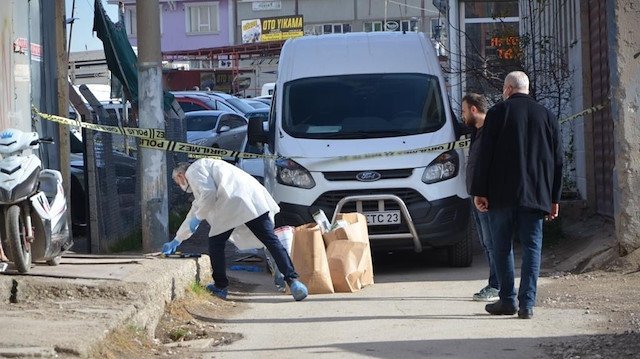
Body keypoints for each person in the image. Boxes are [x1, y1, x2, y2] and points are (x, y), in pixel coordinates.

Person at [470, 71, 563, 319]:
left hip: (501, 195)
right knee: (533, 248)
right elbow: (558, 161)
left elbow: (484, 155)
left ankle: (508, 300)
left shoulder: (498, 114)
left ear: (508, 89)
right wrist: (554, 197)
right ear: (527, 88)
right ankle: (527, 305)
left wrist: (479, 191)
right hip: (535, 195)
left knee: (502, 247)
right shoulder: (547, 116)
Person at [161, 159, 308, 302]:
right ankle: (293, 281)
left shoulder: (194, 170)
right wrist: (178, 239)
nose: (181, 185)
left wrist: (198, 218)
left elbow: (208, 194)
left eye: (177, 182)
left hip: (232, 203)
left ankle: (220, 286)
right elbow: (197, 207)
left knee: (216, 244)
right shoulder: (209, 167)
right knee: (271, 240)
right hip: (253, 199)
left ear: (181, 176)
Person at [461, 93, 501, 302]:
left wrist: (484, 193)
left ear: (474, 109)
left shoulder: (491, 132)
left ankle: (498, 285)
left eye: (464, 110)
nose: (463, 115)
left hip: (486, 198)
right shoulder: (476, 131)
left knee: (494, 243)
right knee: (488, 243)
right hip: (476, 196)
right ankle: (496, 283)